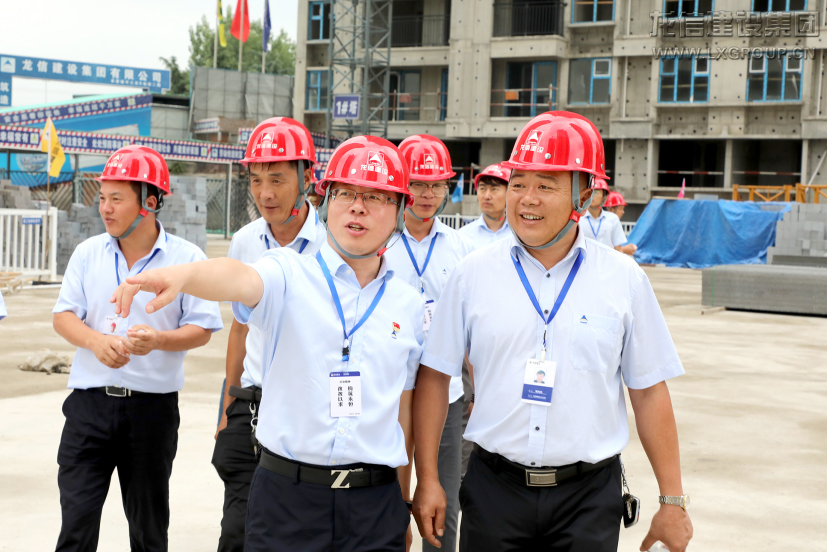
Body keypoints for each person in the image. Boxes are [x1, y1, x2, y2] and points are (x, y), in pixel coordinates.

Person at [112, 136, 423, 552]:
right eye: (345, 193)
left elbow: (401, 409)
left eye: (376, 196)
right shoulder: (289, 272)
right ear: (327, 200)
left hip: (374, 504)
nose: (358, 206)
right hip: (288, 500)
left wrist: (401, 500)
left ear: (401, 209)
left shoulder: (409, 303)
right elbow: (240, 278)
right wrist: (185, 276)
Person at [412, 111, 693, 552]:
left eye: (546, 185)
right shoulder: (471, 276)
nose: (527, 199)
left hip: (588, 498)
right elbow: (433, 376)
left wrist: (672, 500)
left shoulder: (623, 279)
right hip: (494, 490)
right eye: (519, 183)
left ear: (584, 194)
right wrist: (427, 478)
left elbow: (648, 390)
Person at [52, 145, 224, 552]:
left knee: (149, 531)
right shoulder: (87, 254)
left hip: (151, 412)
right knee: (75, 527)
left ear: (150, 202)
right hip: (88, 408)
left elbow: (202, 328)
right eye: (102, 197)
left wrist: (160, 340)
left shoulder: (186, 259)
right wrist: (96, 341)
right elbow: (63, 317)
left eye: (116, 198)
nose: (105, 208)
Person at [212, 117, 327, 552]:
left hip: (309, 408)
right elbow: (239, 330)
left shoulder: (334, 244)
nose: (265, 193)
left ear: (308, 178)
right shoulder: (245, 242)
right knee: (237, 532)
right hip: (252, 406)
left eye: (277, 179)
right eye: (256, 179)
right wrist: (228, 406)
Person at [383, 134, 474, 552]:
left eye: (436, 185)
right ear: (402, 185)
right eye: (418, 183)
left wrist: (478, 386)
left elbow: (470, 323)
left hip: (446, 389)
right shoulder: (378, 243)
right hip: (389, 388)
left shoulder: (459, 248)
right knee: (391, 498)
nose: (427, 194)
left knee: (444, 500)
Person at [458, 163, 512, 250]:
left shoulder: (519, 236)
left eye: (494, 189)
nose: (486, 196)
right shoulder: (464, 236)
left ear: (509, 194)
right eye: (482, 189)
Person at [578, 178, 637, 256]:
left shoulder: (613, 219)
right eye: (589, 191)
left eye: (595, 192)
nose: (591, 195)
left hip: (607, 265)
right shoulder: (578, 218)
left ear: (605, 196)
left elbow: (618, 249)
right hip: (583, 264)